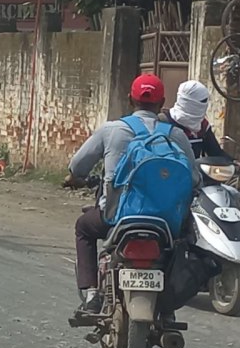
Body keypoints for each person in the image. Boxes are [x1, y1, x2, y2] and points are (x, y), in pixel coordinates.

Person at [65, 74, 200, 314]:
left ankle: (92, 294)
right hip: (167, 224)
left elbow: (77, 167)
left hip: (116, 218)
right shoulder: (176, 135)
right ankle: (167, 301)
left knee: (83, 228)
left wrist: (76, 179)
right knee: (184, 243)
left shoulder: (111, 130)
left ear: (130, 99)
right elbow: (194, 178)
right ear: (163, 103)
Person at [161, 80, 231, 160]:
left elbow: (215, 152)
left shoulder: (203, 126)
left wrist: (234, 163)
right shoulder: (164, 123)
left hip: (195, 171)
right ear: (188, 102)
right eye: (202, 101)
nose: (205, 105)